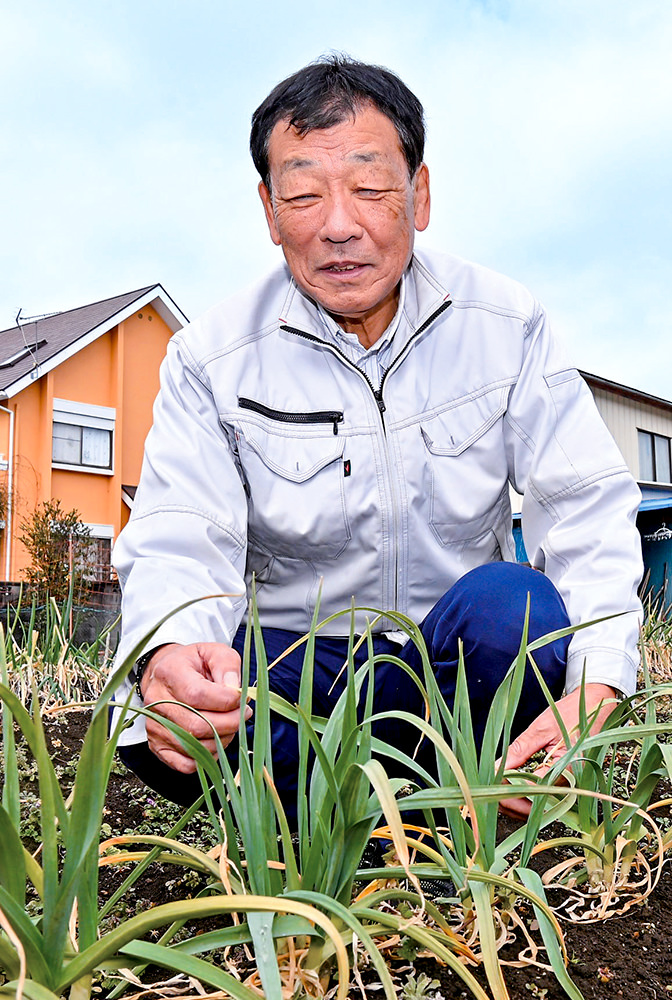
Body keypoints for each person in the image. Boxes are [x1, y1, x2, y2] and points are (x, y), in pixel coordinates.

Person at [112, 55, 643, 822]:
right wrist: (173, 653)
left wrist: (597, 680)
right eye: (301, 195)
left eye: (369, 188)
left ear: (419, 195)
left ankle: (431, 794)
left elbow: (586, 504)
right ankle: (367, 813)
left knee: (513, 606)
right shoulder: (212, 356)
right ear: (268, 210)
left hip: (451, 665)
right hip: (299, 668)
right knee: (187, 695)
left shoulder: (505, 324)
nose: (338, 226)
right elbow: (180, 533)